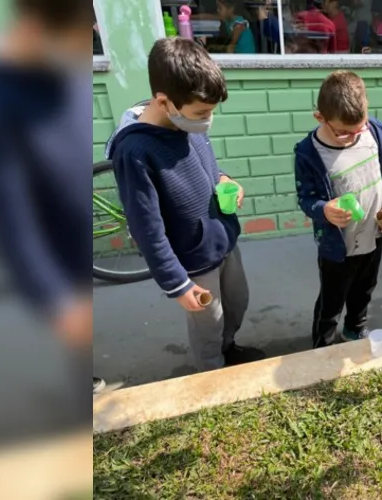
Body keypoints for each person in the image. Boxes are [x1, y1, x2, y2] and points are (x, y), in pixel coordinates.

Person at [0, 0, 97, 409]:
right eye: (74, 45)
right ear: (34, 28)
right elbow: (7, 210)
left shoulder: (62, 72)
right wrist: (54, 299)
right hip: (59, 268)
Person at [105, 38, 264, 372]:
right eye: (202, 113)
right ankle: (212, 373)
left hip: (222, 238)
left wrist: (224, 179)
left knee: (237, 304)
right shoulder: (135, 152)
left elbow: (205, 167)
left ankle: (228, 348)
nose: (207, 121)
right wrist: (176, 283)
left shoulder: (184, 120)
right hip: (193, 258)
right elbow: (146, 228)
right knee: (208, 323)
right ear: (164, 101)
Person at [294, 71, 382, 348]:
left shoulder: (375, 132)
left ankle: (355, 327)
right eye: (343, 131)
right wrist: (323, 209)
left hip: (372, 236)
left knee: (364, 288)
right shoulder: (309, 152)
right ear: (320, 117)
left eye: (359, 128)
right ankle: (323, 344)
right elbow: (306, 198)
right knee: (332, 298)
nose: (352, 137)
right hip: (338, 247)